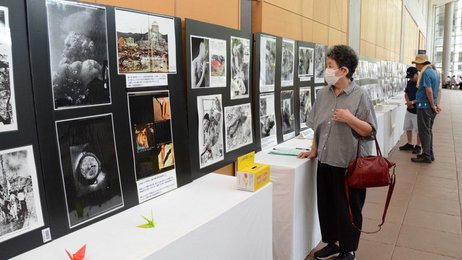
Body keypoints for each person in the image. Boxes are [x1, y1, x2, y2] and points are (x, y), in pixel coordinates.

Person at [298, 45, 377, 260]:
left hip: (349, 165)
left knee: (349, 209)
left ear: (343, 70)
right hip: (326, 160)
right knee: (328, 206)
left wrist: (350, 119)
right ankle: (332, 243)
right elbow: (317, 125)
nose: (326, 70)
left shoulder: (360, 95)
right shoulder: (323, 94)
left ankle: (348, 249)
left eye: (329, 66)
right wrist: (313, 150)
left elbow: (370, 131)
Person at [410, 54, 440, 163]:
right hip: (430, 106)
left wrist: (432, 105)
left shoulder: (426, 73)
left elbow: (429, 90)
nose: (416, 66)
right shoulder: (434, 72)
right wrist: (435, 105)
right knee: (428, 131)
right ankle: (429, 154)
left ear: (421, 63)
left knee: (424, 131)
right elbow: (437, 90)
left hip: (425, 106)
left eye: (416, 64)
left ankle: (427, 155)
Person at [399, 67, 421, 154]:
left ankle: (418, 145)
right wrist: (408, 102)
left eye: (412, 76)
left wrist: (412, 102)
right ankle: (409, 143)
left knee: (418, 129)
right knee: (408, 127)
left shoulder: (421, 83)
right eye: (409, 77)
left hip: (418, 110)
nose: (411, 78)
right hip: (409, 109)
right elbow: (406, 93)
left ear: (417, 74)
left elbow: (422, 97)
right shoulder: (409, 82)